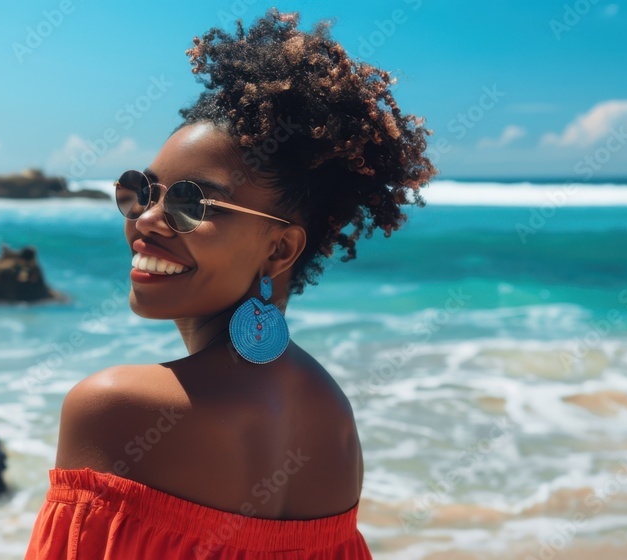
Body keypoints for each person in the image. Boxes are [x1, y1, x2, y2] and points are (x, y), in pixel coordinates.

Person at [25, 8, 436, 559]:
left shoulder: (112, 408)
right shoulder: (332, 418)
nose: (146, 219)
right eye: (140, 190)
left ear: (281, 247)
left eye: (191, 203)